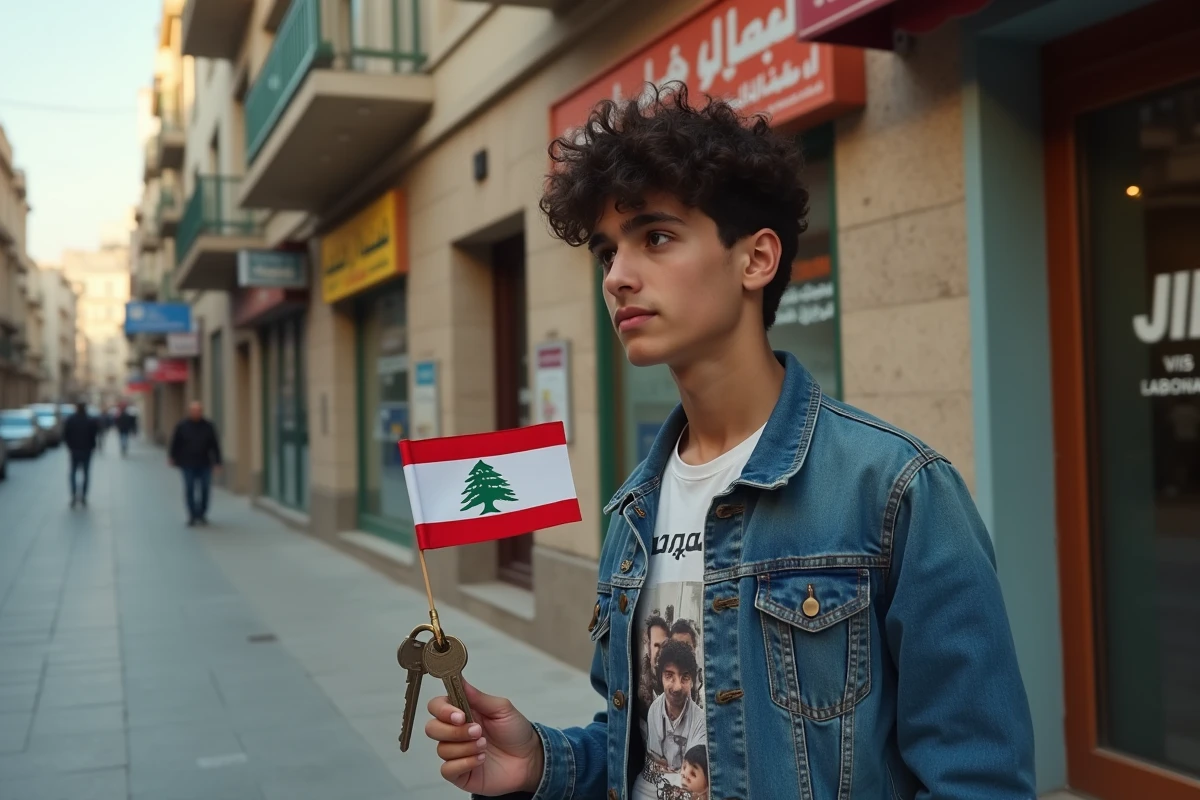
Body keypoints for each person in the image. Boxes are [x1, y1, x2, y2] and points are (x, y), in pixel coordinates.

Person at [423, 84, 1036, 799]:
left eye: (655, 237)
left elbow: (978, 778)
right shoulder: (634, 509)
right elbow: (653, 751)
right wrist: (542, 763)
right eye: (606, 252)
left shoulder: (895, 489)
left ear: (756, 259)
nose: (618, 276)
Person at [168, 400, 222, 526]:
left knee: (204, 489)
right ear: (190, 412)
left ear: (201, 412)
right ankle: (192, 515)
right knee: (190, 489)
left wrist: (218, 461)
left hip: (205, 463)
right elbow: (175, 442)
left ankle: (202, 513)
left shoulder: (208, 426)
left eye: (198, 410)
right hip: (187, 463)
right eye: (193, 410)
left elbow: (215, 444)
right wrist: (172, 457)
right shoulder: (182, 426)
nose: (196, 413)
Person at [62, 402, 99, 508]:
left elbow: (65, 435)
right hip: (86, 450)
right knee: (86, 473)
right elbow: (94, 435)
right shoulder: (90, 420)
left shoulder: (71, 420)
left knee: (73, 473)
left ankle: (74, 495)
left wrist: (70, 446)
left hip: (75, 450)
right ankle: (83, 496)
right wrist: (92, 446)